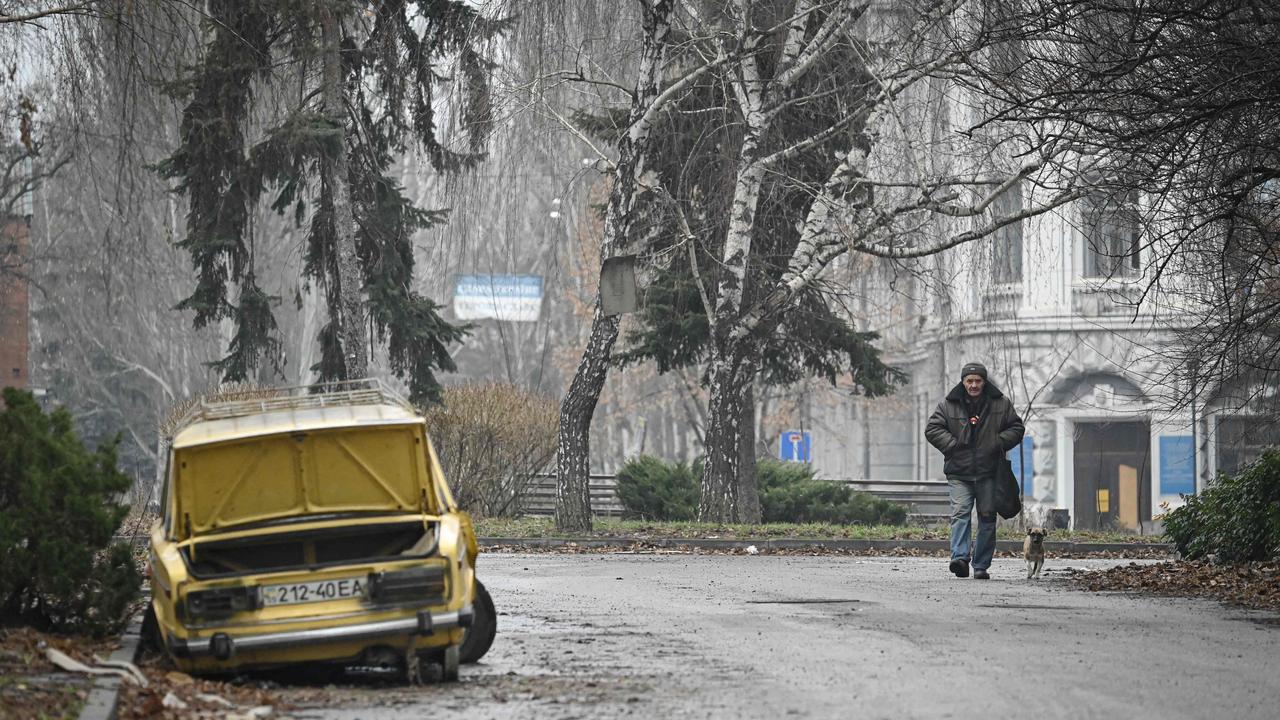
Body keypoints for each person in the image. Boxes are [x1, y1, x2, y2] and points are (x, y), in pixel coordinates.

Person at [924, 362, 1025, 579]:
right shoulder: (948, 405)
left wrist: (998, 442)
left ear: (984, 382)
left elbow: (1016, 427)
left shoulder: (1000, 403)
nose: (973, 385)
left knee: (987, 517)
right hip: (959, 472)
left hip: (990, 472)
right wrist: (952, 445)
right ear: (963, 382)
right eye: (969, 381)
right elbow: (932, 429)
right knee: (960, 514)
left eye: (978, 381)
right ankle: (959, 559)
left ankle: (981, 565)